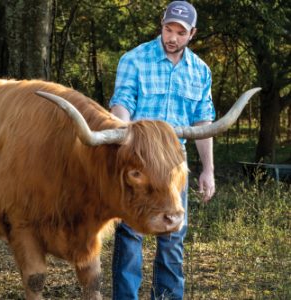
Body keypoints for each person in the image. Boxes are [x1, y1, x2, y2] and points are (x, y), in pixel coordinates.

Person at [109, 1, 215, 299]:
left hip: (174, 168)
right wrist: (121, 143)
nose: (172, 37)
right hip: (140, 164)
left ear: (192, 33)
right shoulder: (135, 59)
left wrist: (208, 169)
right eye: (168, 29)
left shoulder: (200, 71)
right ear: (162, 24)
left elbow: (202, 122)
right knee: (131, 234)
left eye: (180, 32)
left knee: (172, 236)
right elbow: (122, 104)